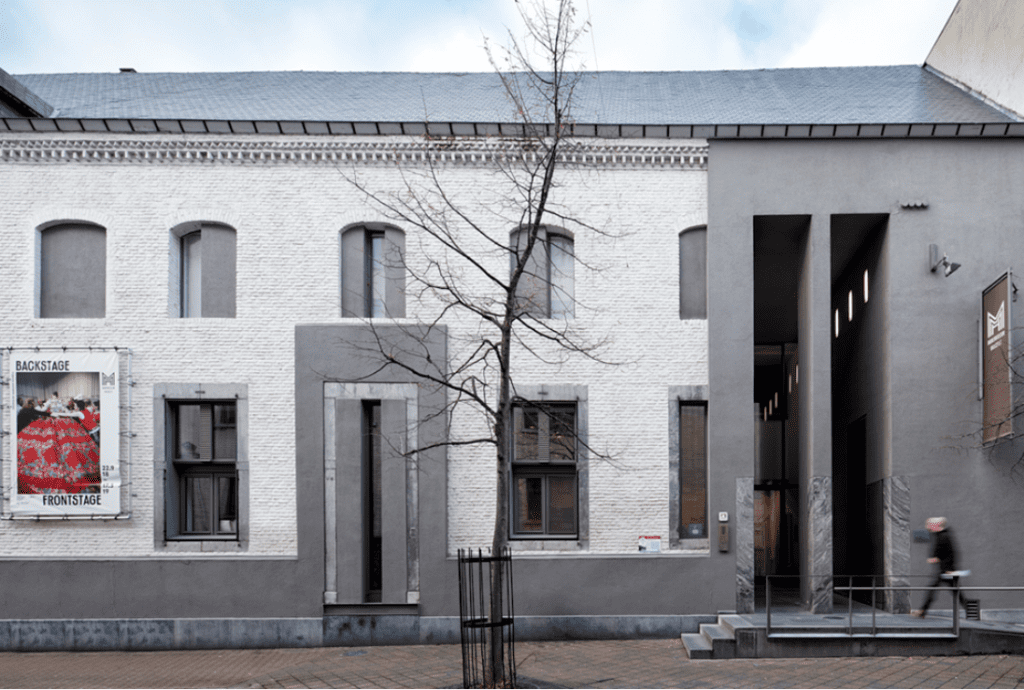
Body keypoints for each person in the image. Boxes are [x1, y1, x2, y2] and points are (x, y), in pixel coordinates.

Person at [912, 517, 970, 618]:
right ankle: (970, 611)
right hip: (945, 570)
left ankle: (922, 611)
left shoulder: (944, 536)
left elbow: (951, 554)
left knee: (934, 590)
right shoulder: (941, 535)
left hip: (946, 571)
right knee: (956, 593)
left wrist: (937, 561)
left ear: (936, 525)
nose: (928, 527)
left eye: (930, 525)